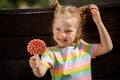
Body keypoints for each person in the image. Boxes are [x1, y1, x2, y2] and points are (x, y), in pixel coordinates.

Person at [29, 0, 113, 80]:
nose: (62, 35)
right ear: (53, 29)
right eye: (58, 29)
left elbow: (107, 47)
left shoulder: (83, 47)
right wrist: (36, 66)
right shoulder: (50, 52)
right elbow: (40, 73)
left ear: (78, 32)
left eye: (68, 31)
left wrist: (99, 22)